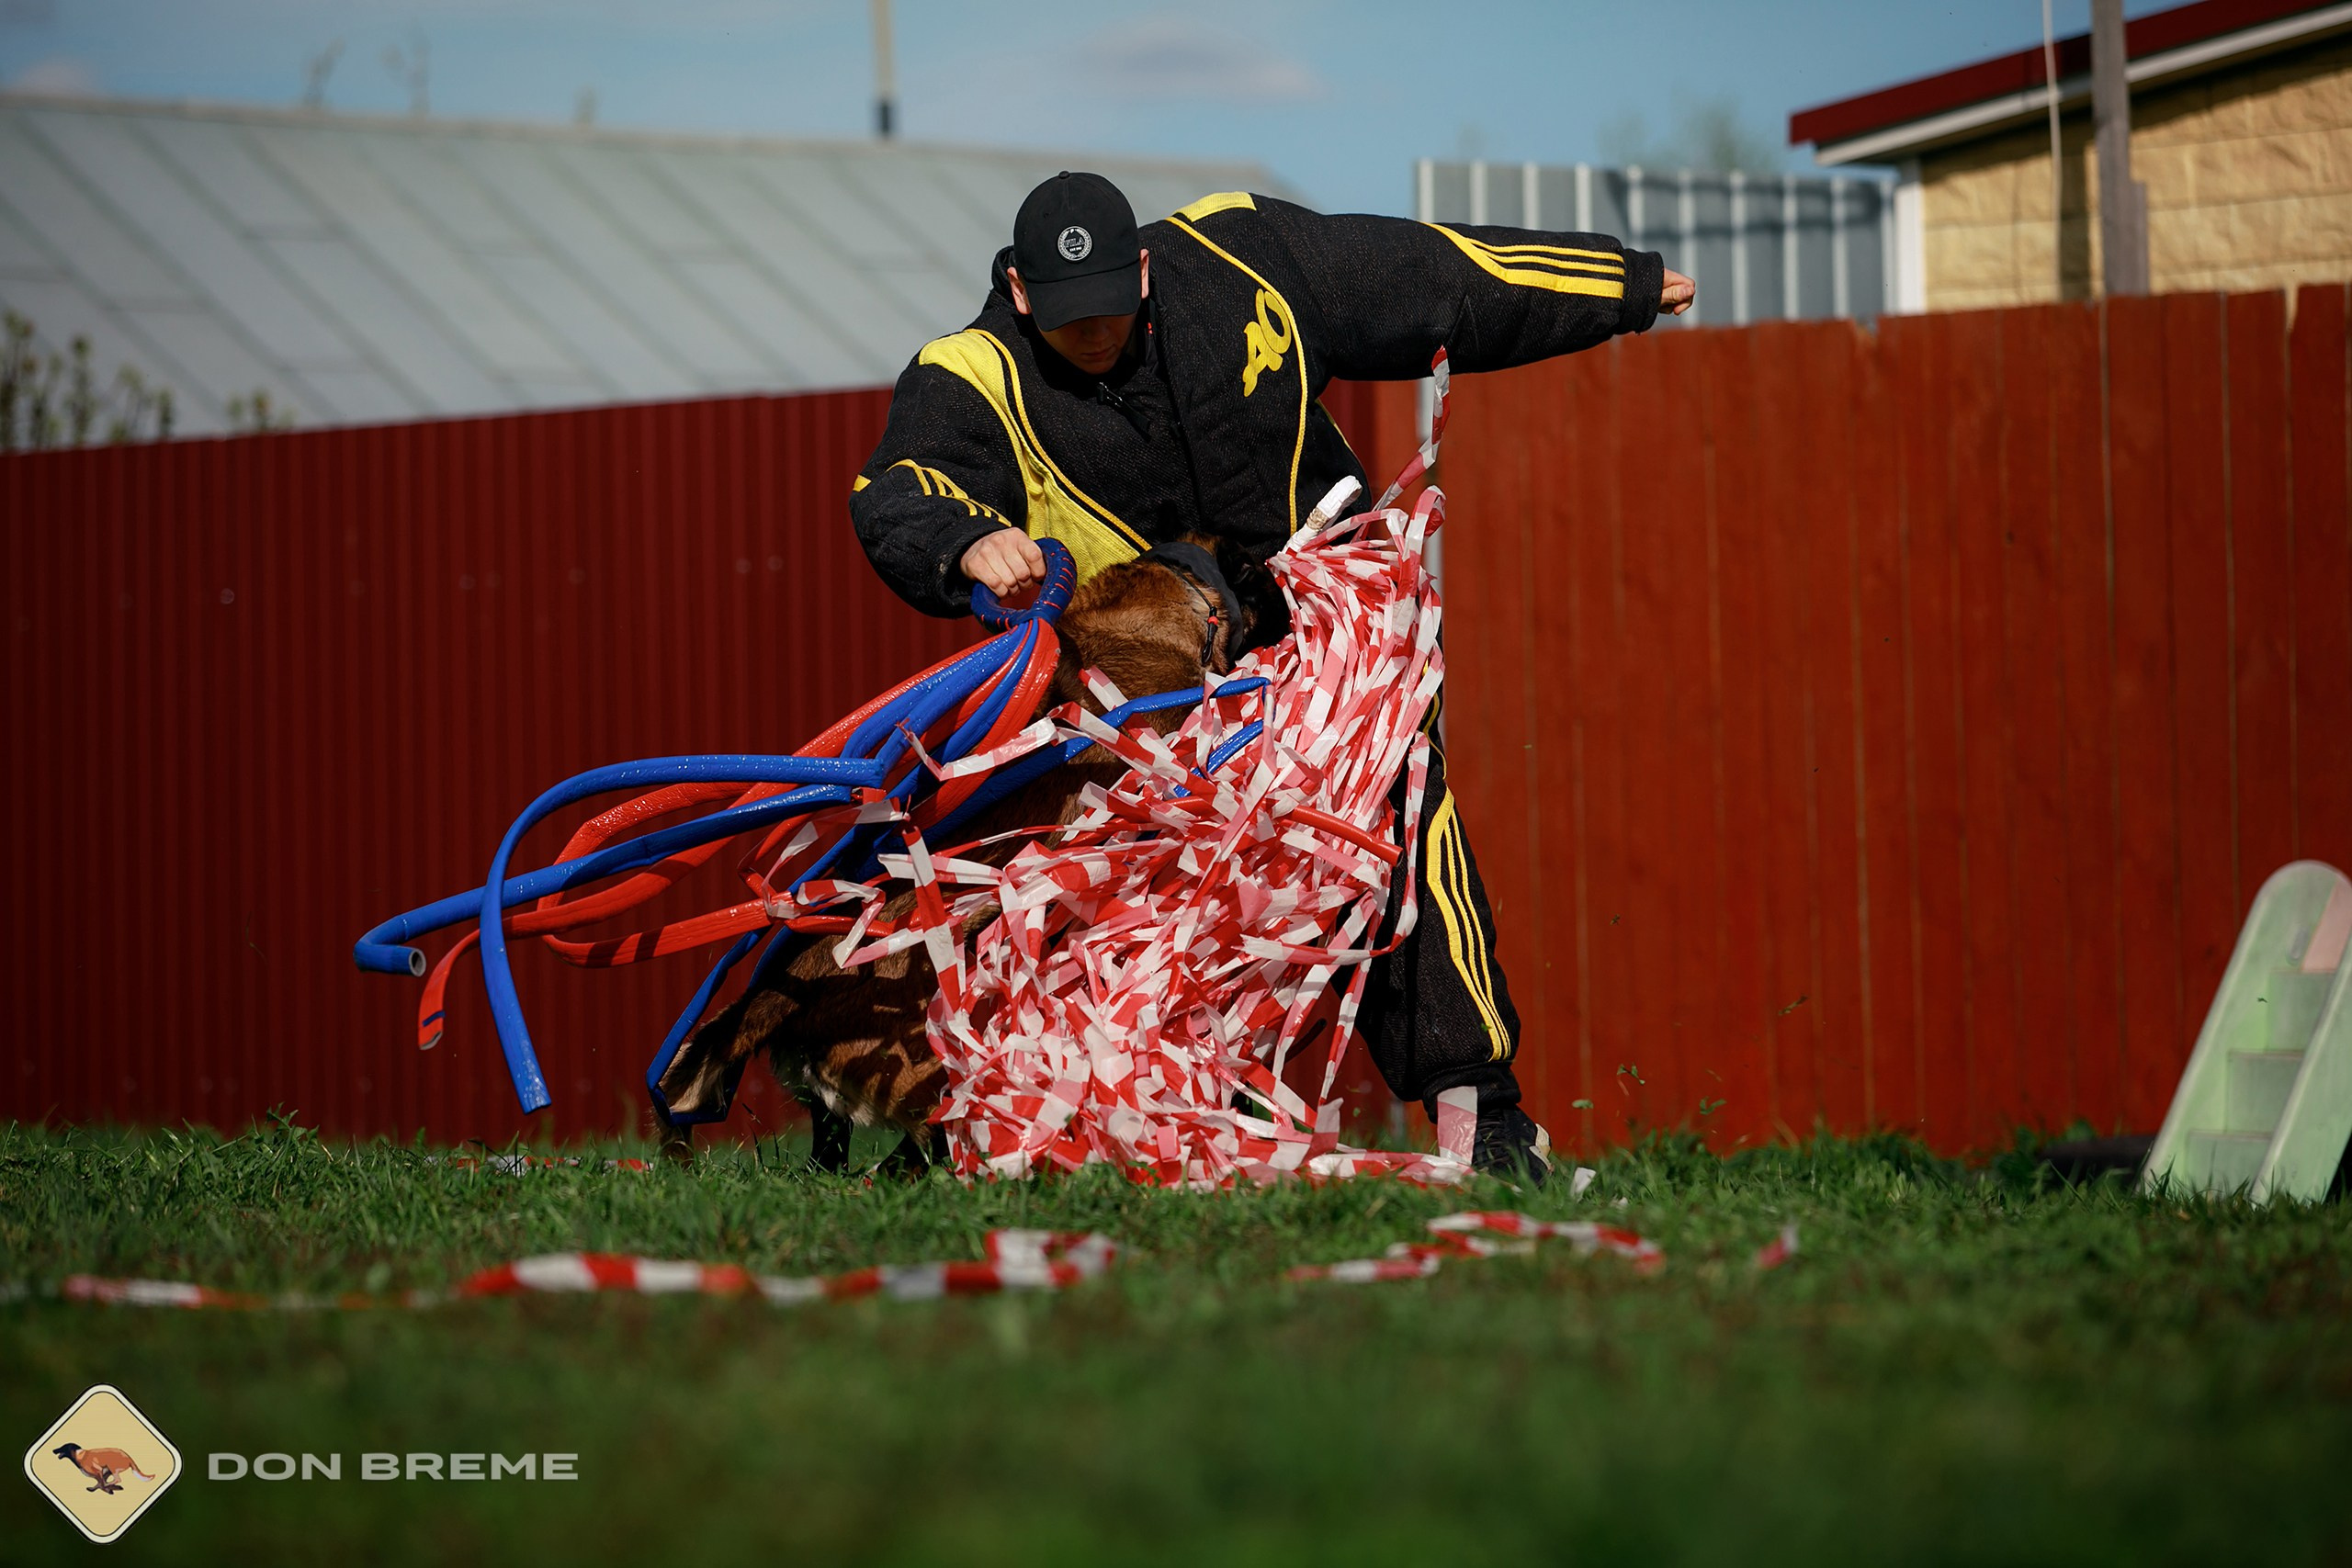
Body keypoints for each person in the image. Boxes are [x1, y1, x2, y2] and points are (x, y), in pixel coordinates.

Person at [851, 171, 1695, 1181]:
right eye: (1067, 315)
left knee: (1398, 810)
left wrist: (1623, 285)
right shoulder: (969, 373)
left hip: (1337, 644)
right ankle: (1006, 1121)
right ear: (1022, 292)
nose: (1094, 332)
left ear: (1146, 272)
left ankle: (1482, 1114)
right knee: (1117, 903)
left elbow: (1433, 278)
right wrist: (965, 541)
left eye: (1113, 308)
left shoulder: (1238, 256)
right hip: (1154, 705)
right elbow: (902, 484)